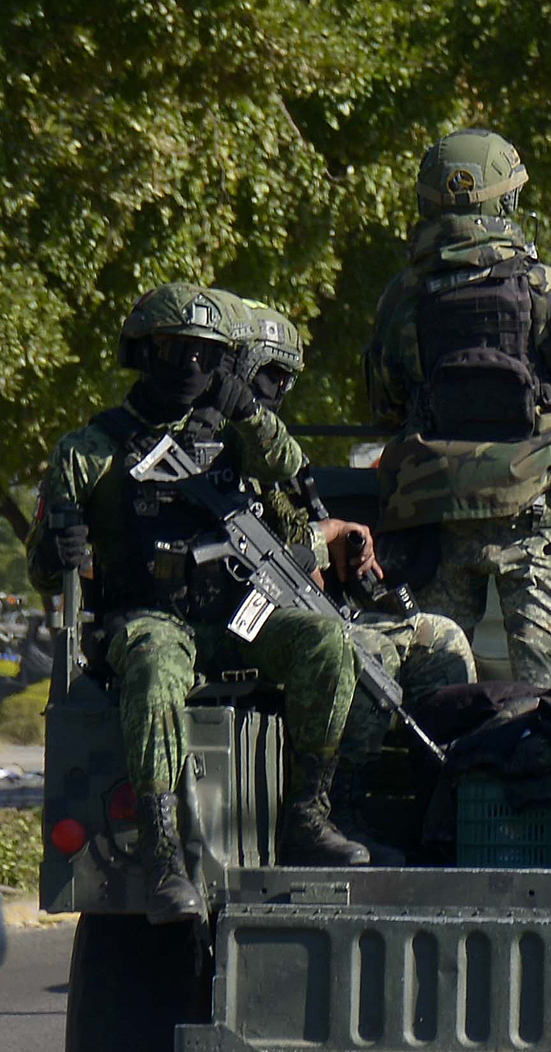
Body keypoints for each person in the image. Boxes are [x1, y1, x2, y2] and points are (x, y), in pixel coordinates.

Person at [27, 283, 366, 922]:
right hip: (148, 623)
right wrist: (59, 546)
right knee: (155, 670)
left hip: (234, 619)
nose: (188, 365)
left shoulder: (232, 436)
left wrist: (249, 412)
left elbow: (290, 466)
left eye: (203, 354)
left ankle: (306, 818)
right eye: (171, 349)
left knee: (328, 641)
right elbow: (44, 575)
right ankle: (163, 860)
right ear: (142, 353)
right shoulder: (89, 449)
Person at [364, 127, 551, 687]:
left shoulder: (403, 299)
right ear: (507, 201)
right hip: (533, 513)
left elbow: (385, 403)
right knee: (542, 691)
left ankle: (440, 771)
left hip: (432, 520)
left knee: (432, 684)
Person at [242, 302, 478, 858]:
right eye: (269, 376)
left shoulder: (269, 460)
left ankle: (442, 812)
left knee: (439, 639)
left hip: (299, 611)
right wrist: (317, 543)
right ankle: (337, 810)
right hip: (250, 625)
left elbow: (292, 539)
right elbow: (238, 572)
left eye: (286, 380)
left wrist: (336, 534)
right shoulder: (210, 454)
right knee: (360, 652)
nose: (279, 391)